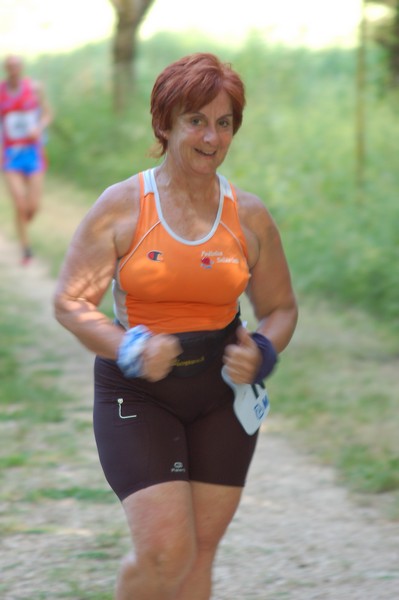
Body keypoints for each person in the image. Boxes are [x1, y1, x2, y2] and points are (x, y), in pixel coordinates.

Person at [54, 52, 298, 600]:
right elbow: (69, 302)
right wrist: (130, 347)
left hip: (223, 394)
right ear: (164, 124)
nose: (212, 137)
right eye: (196, 120)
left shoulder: (249, 216)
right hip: (139, 390)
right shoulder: (122, 207)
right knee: (166, 553)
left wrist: (263, 349)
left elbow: (281, 308)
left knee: (198, 555)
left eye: (224, 122)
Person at [0, 54, 53, 264]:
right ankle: (26, 249)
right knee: (20, 205)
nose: (13, 69)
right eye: (9, 66)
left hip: (33, 153)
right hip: (11, 155)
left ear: (21, 68)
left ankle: (22, 224)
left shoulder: (34, 88)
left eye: (17, 66)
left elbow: (47, 113)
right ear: (6, 68)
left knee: (33, 207)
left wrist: (38, 127)